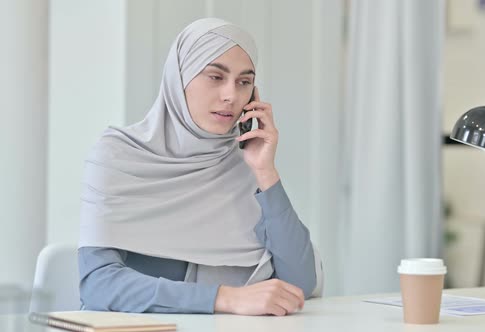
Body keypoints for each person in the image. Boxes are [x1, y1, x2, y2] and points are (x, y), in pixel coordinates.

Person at [78, 17, 323, 316]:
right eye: (215, 77)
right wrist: (225, 298)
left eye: (244, 82)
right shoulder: (118, 155)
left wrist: (265, 172)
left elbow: (299, 283)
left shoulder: (244, 164)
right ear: (179, 78)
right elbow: (98, 284)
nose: (231, 95)